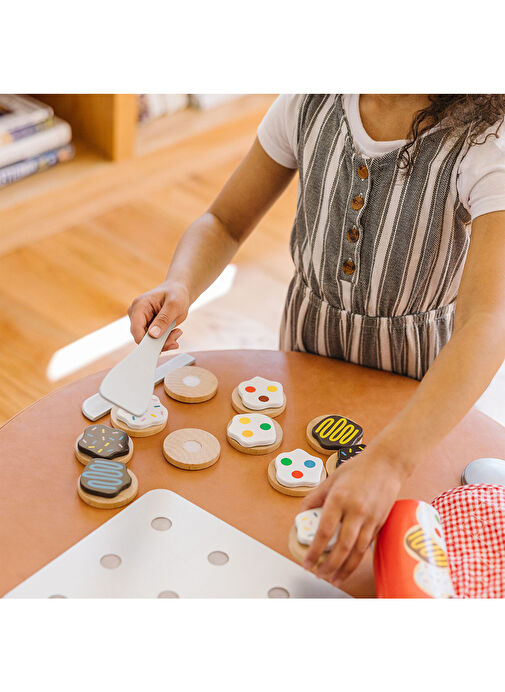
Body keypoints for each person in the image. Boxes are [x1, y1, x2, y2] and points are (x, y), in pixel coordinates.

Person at [128, 94, 505, 588]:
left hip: (415, 399)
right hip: (304, 356)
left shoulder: (487, 143)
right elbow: (223, 222)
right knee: (281, 513)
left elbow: (488, 321)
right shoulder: (310, 100)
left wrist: (390, 460)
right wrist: (181, 282)